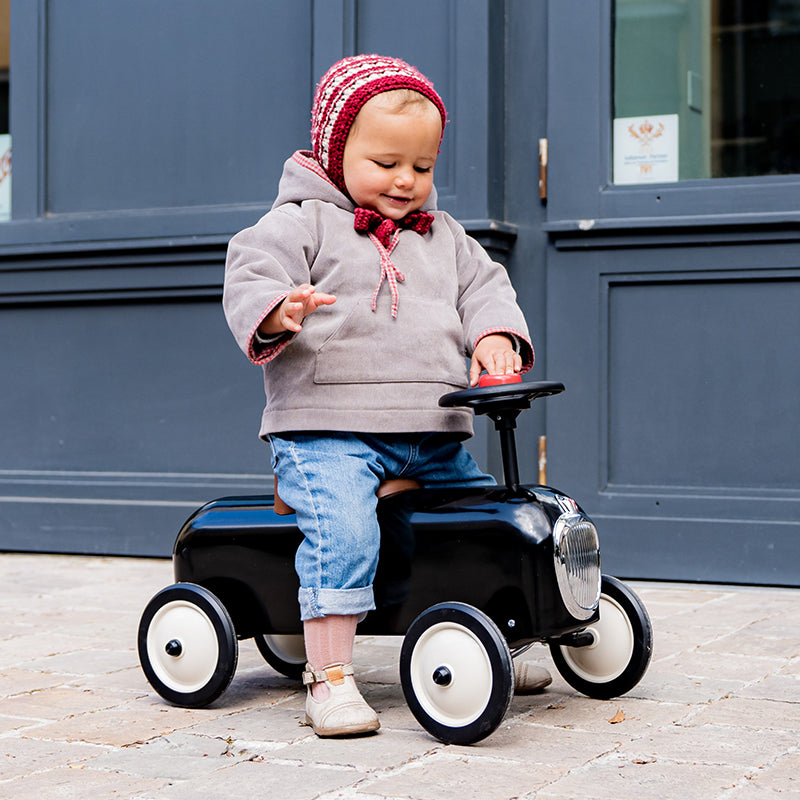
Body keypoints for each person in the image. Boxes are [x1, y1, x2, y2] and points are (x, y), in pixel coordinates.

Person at [223, 54, 550, 738]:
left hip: (431, 432)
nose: (407, 181)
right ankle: (330, 678)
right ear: (336, 151)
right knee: (344, 532)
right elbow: (251, 271)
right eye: (386, 163)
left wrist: (495, 336)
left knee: (481, 523)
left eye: (423, 168)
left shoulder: (447, 237)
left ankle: (487, 638)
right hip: (328, 429)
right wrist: (280, 310)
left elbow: (487, 288)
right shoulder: (299, 222)